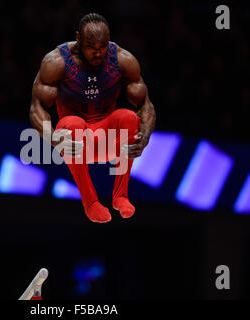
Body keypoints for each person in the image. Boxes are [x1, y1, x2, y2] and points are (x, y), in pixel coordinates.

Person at [29, 13, 156, 223]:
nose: (98, 53)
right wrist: (53, 139)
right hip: (76, 144)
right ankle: (90, 202)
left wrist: (145, 137)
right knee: (70, 124)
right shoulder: (57, 61)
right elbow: (36, 108)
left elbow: (146, 105)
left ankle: (120, 195)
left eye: (103, 46)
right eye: (91, 47)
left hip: (109, 141)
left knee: (128, 117)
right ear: (78, 39)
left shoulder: (123, 59)